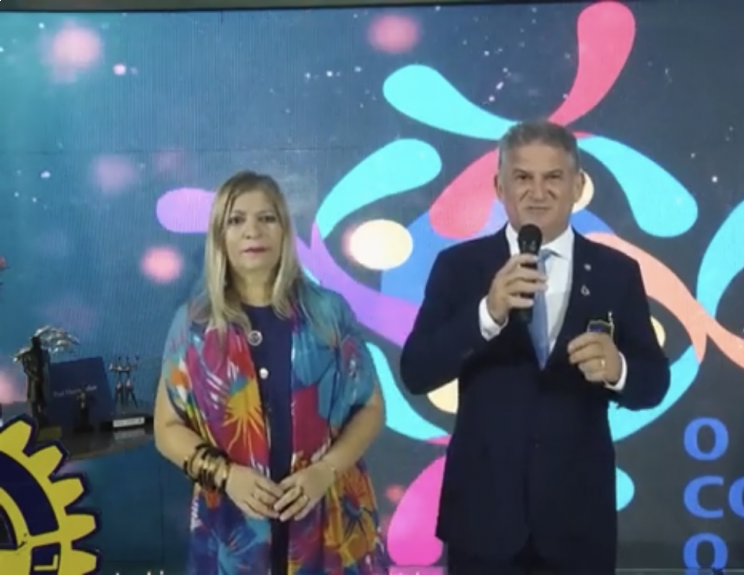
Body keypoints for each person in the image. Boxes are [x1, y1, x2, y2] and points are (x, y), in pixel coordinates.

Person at [400, 120, 671, 574]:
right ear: (499, 187)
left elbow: (654, 381)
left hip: (578, 522)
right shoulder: (459, 267)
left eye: (554, 177)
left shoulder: (616, 272)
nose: (538, 192)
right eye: (523, 177)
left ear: (577, 186)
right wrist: (487, 314)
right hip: (483, 520)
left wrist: (618, 369)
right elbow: (416, 370)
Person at [154, 171, 388, 574]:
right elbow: (167, 427)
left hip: (330, 522)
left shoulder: (328, 313)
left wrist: (325, 470)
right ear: (219, 235)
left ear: (284, 230)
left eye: (267, 218)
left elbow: (371, 407)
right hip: (232, 530)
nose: (253, 231)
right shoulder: (193, 326)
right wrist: (227, 476)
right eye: (236, 220)